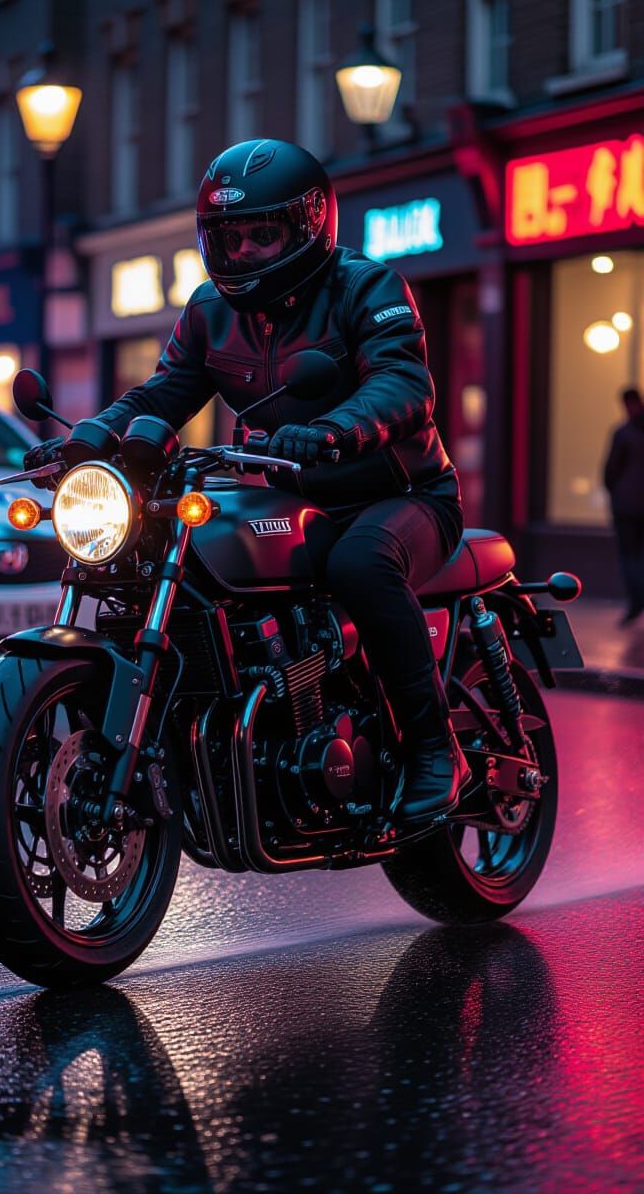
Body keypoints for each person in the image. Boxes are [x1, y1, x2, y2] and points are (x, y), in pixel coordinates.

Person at [25, 139, 468, 821]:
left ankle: (437, 749)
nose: (245, 253)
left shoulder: (366, 287)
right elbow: (165, 393)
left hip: (394, 496)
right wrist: (92, 435)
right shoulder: (211, 310)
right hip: (285, 495)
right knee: (180, 552)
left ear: (310, 223)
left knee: (361, 562)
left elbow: (403, 385)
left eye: (263, 235)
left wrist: (332, 430)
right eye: (228, 238)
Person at [603, 386, 644, 626]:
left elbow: (610, 471)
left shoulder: (623, 433)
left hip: (626, 507)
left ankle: (637, 600)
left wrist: (616, 493)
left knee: (629, 555)